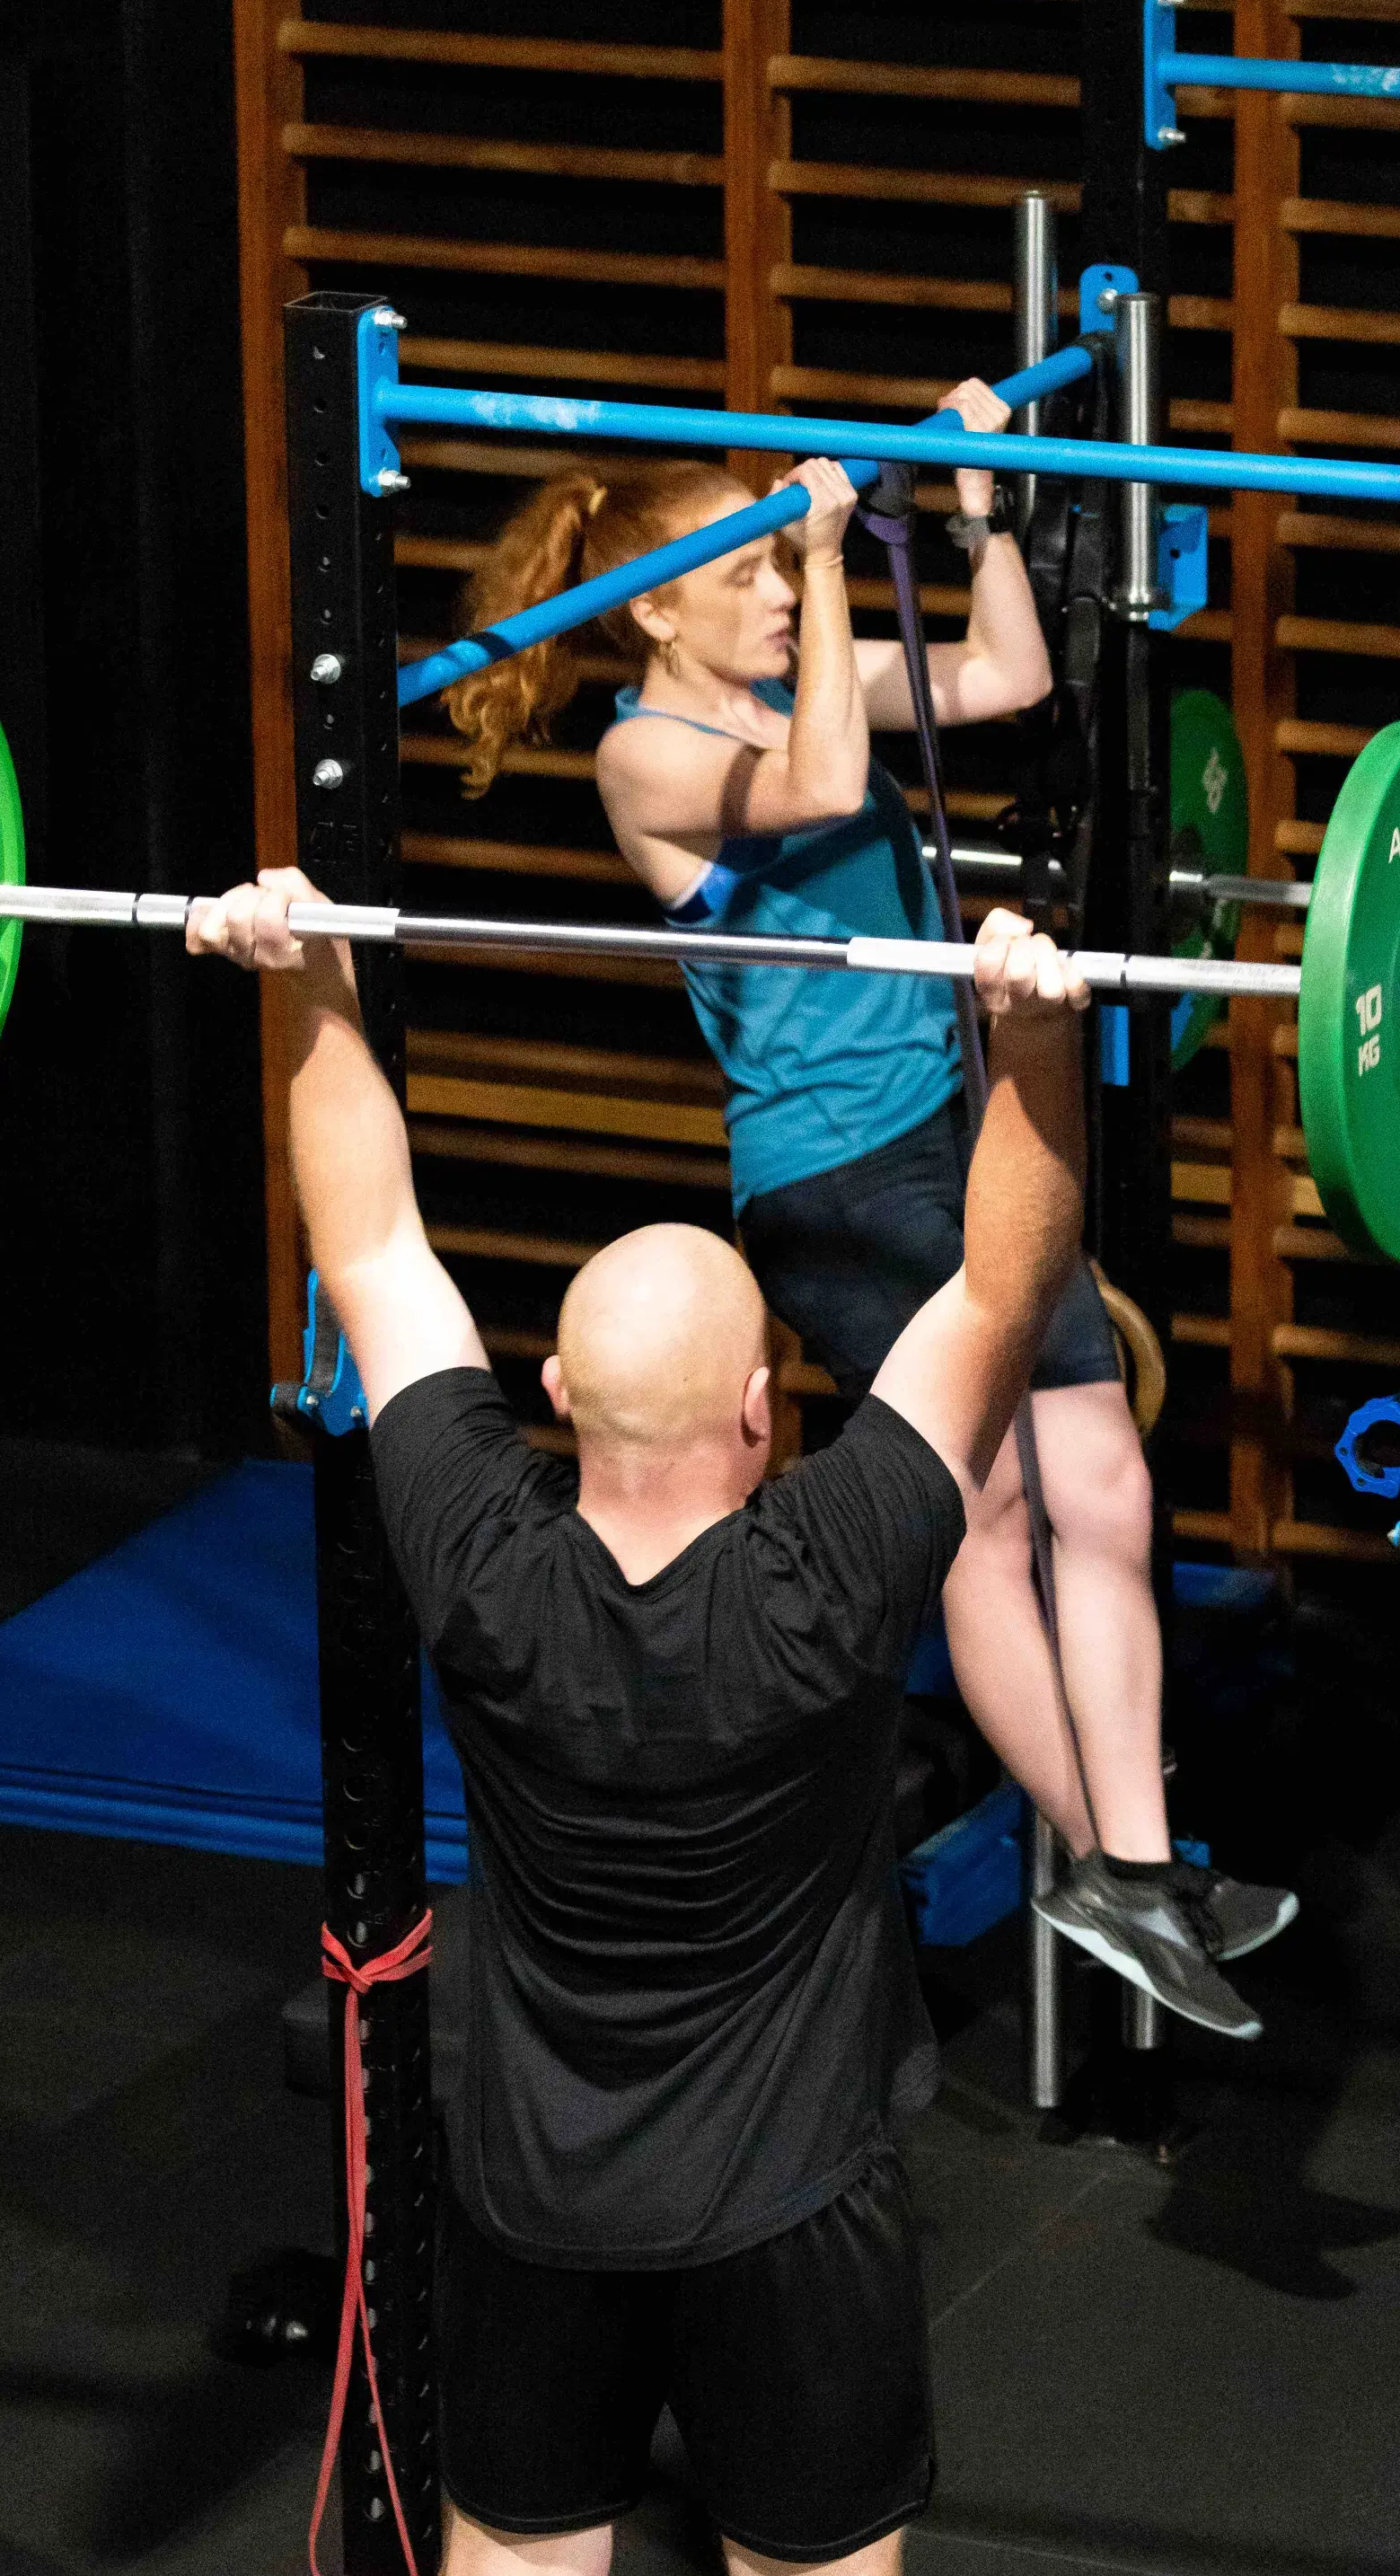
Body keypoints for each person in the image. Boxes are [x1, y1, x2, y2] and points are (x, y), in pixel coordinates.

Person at [191, 869, 1086, 2576]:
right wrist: (1025, 1037)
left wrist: (309, 979)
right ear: (769, 1408)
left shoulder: (472, 1543)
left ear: (555, 1403)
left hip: (535, 2190)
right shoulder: (830, 1570)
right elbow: (1000, 1283)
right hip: (788, 2204)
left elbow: (371, 1240)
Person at [439, 389, 1292, 2039]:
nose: (774, 591)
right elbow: (829, 782)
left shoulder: (794, 683)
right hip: (834, 1175)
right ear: (654, 613)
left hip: (957, 1130)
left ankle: (1141, 1865)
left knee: (1105, 1482)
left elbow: (1007, 681)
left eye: (780, 565)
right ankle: (1105, 1857)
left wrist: (976, 512)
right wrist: (830, 555)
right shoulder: (645, 753)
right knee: (982, 1510)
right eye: (745, 572)